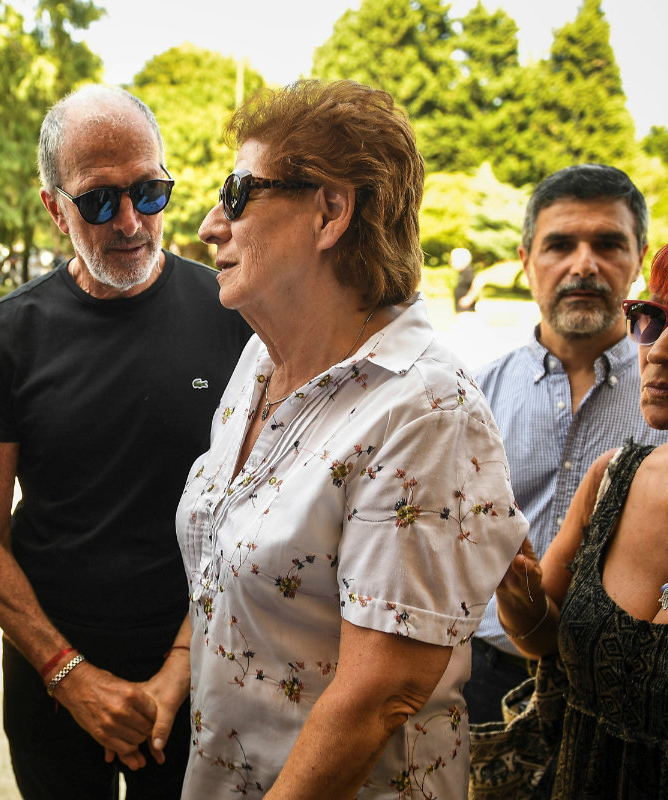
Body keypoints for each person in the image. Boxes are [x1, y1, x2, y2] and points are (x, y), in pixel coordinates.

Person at [176, 79, 527, 798]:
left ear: (330, 211)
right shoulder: (259, 359)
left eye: (237, 194)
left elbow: (378, 699)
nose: (212, 224)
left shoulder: (426, 411)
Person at [0, 84, 253, 798]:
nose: (129, 221)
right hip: (52, 676)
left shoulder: (233, 317)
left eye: (149, 192)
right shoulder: (4, 336)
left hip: (199, 668)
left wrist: (177, 674)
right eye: (98, 200)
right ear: (53, 206)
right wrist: (69, 676)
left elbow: (249, 516)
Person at [497, 219, 668, 795]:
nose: (661, 351)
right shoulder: (612, 480)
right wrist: (516, 594)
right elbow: (547, 640)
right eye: (650, 318)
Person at [464, 164, 668, 723]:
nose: (584, 265)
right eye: (560, 245)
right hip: (485, 679)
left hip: (628, 691)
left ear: (639, 260)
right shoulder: (472, 394)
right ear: (526, 259)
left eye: (608, 244)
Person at [451, 246, 478, 313]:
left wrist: (469, 299)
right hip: (462, 311)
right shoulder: (462, 273)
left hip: (467, 312)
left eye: (453, 260)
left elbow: (479, 282)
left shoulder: (467, 272)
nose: (451, 262)